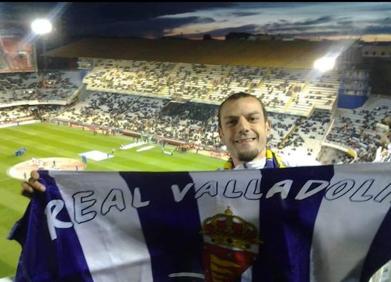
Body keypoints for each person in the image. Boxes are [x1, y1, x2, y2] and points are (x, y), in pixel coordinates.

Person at [21, 92, 292, 196]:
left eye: (252, 118)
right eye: (232, 122)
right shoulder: (209, 185)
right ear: (221, 134)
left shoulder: (302, 184)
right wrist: (57, 196)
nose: (243, 127)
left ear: (267, 126)